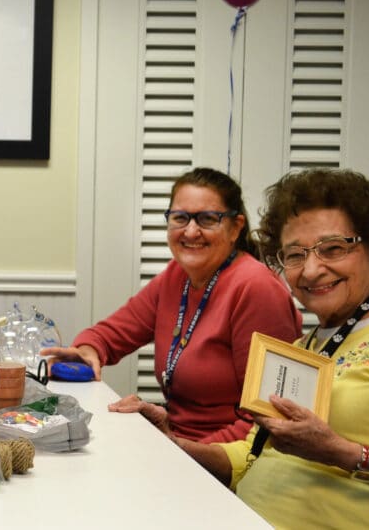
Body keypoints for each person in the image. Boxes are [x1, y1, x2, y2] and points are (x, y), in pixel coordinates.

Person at [177, 168, 369, 528]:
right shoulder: (304, 346)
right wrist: (173, 445)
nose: (311, 270)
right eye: (295, 255)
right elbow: (252, 453)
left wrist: (339, 452)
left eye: (333, 248)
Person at [41, 167, 302, 443]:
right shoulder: (178, 276)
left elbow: (266, 423)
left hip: (228, 462)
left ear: (235, 227)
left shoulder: (256, 288)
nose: (191, 231)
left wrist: (185, 454)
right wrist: (87, 350)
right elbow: (111, 333)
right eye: (180, 218)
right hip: (178, 444)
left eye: (207, 219)